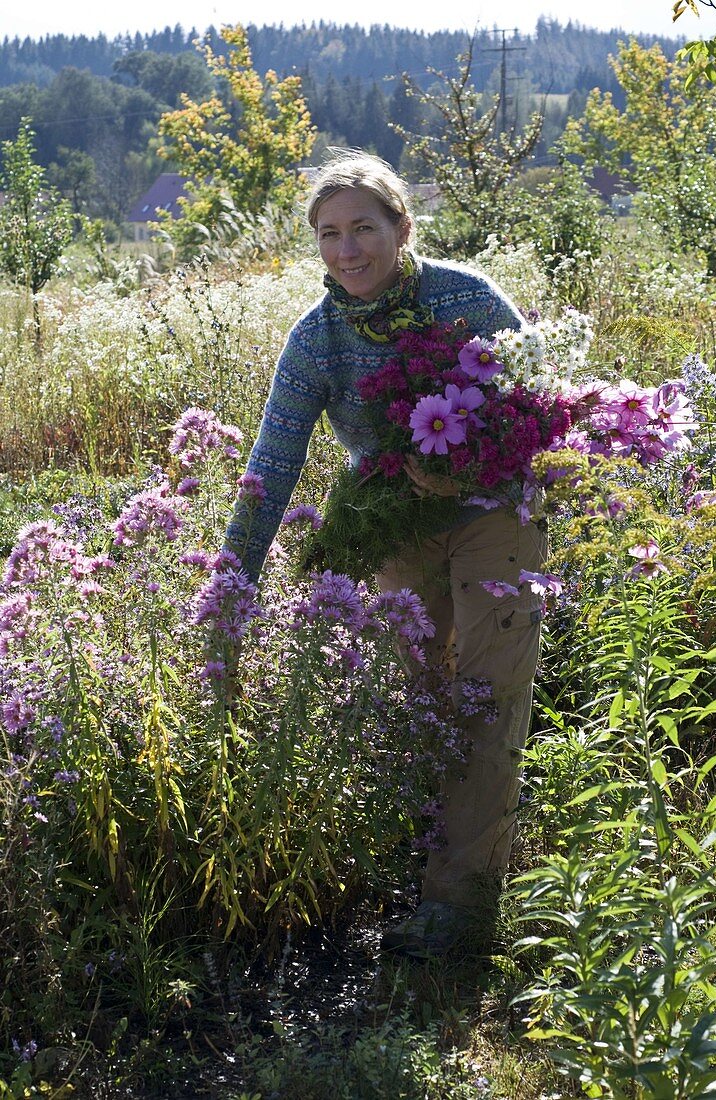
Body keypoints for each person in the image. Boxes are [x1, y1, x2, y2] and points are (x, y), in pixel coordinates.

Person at [224, 149, 547, 955]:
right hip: (392, 519)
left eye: (362, 228)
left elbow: (542, 395)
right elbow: (271, 466)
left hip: (493, 509)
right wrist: (233, 589)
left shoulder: (464, 298)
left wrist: (481, 455)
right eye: (329, 234)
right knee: (417, 693)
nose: (347, 251)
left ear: (401, 227)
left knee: (484, 688)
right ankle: (423, 860)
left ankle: (457, 909)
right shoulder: (318, 339)